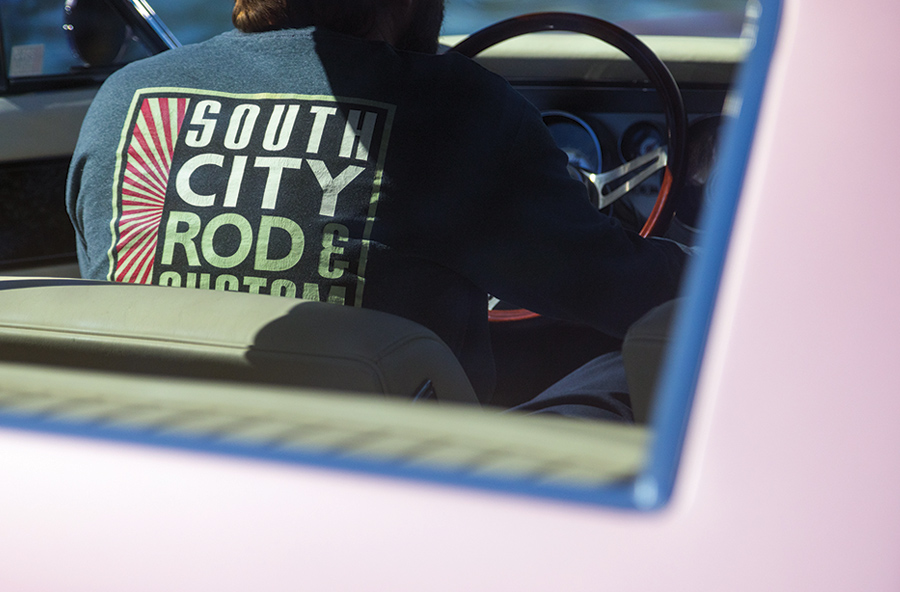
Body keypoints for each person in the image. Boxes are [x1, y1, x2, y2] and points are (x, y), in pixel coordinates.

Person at [66, 0, 687, 407]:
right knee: (640, 364)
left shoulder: (124, 99)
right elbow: (632, 295)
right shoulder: (459, 112)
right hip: (398, 492)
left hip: (157, 475)